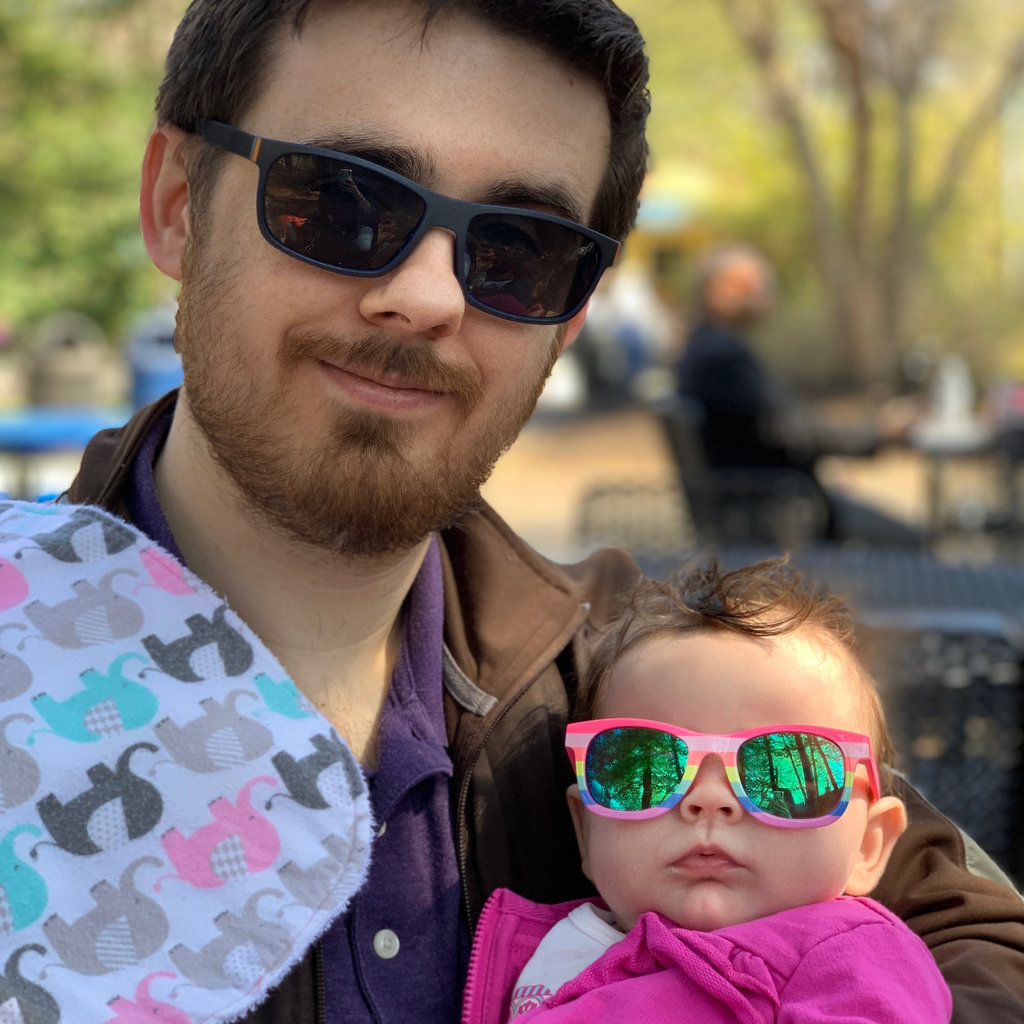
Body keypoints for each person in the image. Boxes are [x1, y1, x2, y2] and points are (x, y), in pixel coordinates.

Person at [3, 0, 1024, 1021]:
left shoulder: (644, 683)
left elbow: (982, 936)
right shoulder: (23, 654)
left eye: (518, 252)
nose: (427, 297)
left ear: (570, 315)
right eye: (345, 203)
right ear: (178, 204)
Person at [463, 560, 952, 1022]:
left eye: (784, 772)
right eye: (646, 767)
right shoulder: (550, 947)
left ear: (868, 846)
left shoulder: (855, 958)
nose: (709, 799)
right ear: (586, 831)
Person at [672, 242, 922, 547]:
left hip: (766, 500)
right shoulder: (721, 358)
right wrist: (878, 433)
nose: (766, 291)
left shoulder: (708, 349)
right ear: (718, 291)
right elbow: (791, 432)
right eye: (754, 284)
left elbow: (774, 429)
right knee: (912, 540)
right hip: (774, 510)